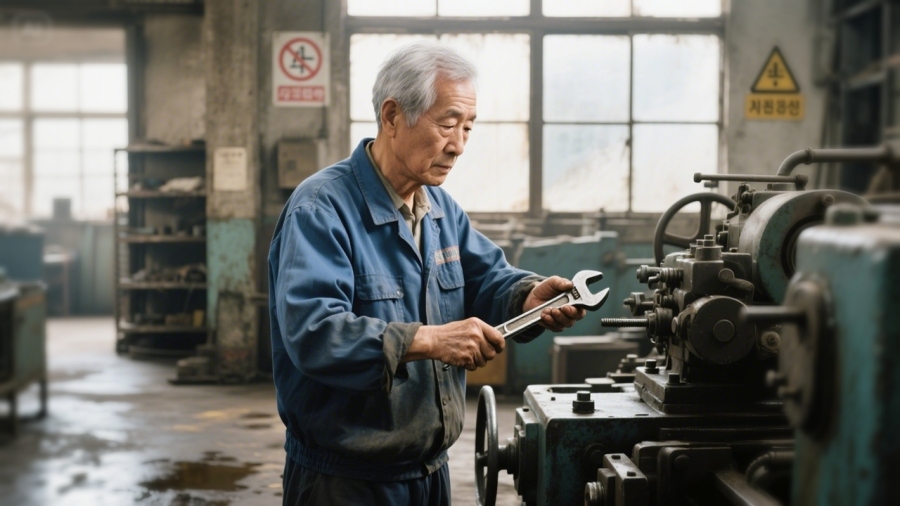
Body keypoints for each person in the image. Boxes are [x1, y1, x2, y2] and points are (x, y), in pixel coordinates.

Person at [268, 40, 587, 506]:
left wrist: (528, 297)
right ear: (392, 116)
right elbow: (314, 332)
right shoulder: (320, 210)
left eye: (468, 127)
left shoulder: (439, 210)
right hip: (344, 483)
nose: (458, 146)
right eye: (447, 124)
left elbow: (486, 279)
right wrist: (430, 341)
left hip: (430, 473)